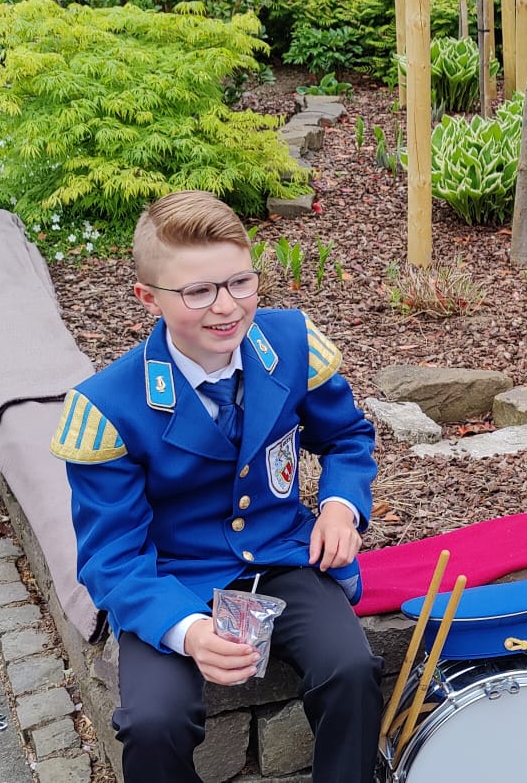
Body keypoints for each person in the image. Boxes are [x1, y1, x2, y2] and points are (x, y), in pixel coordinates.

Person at [50, 191, 380, 783]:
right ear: (148, 298)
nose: (226, 307)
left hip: (281, 556)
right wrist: (190, 632)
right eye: (198, 291)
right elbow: (112, 557)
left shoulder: (291, 344)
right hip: (172, 578)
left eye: (240, 282)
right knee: (153, 722)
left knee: (352, 670)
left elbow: (347, 437)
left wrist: (339, 507)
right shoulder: (108, 406)